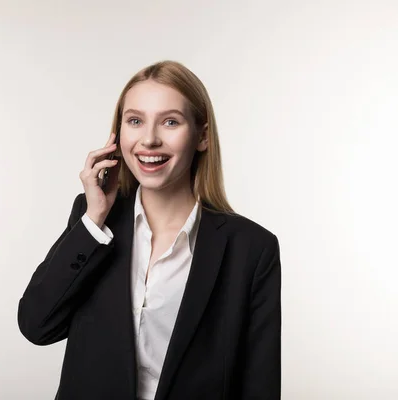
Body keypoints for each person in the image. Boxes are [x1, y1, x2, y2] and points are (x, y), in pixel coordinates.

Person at [17, 60, 281, 400]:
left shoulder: (251, 247)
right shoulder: (93, 221)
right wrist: (94, 218)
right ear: (118, 134)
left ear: (201, 136)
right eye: (135, 121)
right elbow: (37, 326)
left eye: (170, 121)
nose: (149, 140)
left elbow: (259, 383)